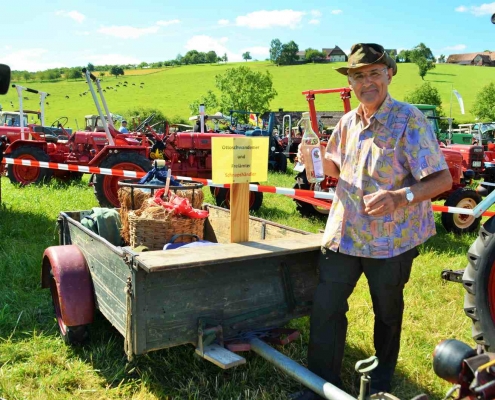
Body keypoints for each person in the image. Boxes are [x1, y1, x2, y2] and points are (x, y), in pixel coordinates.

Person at [292, 43, 453, 399]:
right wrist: (313, 158)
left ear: (389, 74)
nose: (367, 82)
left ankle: (379, 384)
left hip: (390, 241)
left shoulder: (409, 119)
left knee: (387, 313)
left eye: (374, 73)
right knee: (326, 308)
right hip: (345, 235)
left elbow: (442, 180)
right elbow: (335, 168)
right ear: (350, 82)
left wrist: (399, 197)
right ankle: (320, 385)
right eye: (359, 76)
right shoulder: (348, 122)